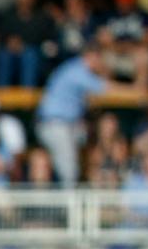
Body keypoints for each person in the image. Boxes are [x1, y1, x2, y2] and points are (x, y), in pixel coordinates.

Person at [36, 47, 108, 186]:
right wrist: (136, 90)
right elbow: (105, 88)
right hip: (55, 124)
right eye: (100, 59)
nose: (101, 64)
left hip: (69, 125)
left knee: (85, 140)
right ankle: (69, 205)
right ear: (91, 56)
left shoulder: (74, 68)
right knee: (69, 171)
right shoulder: (77, 70)